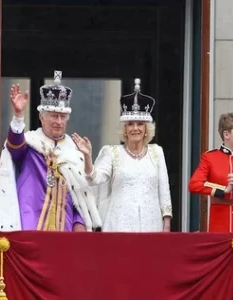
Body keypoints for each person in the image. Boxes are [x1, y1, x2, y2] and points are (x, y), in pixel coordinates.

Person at [0, 70, 101, 232]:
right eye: (53, 116)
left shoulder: (74, 151)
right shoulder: (30, 143)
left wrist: (80, 224)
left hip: (65, 228)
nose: (58, 121)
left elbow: (80, 195)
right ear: (42, 117)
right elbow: (14, 146)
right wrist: (18, 116)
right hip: (30, 222)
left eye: (62, 117)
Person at [72, 79, 172, 232]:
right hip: (118, 224)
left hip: (151, 224)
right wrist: (87, 157)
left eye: (140, 124)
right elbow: (94, 179)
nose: (135, 128)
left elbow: (164, 192)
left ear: (147, 129)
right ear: (124, 130)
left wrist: (166, 224)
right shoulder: (112, 153)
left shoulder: (157, 152)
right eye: (130, 124)